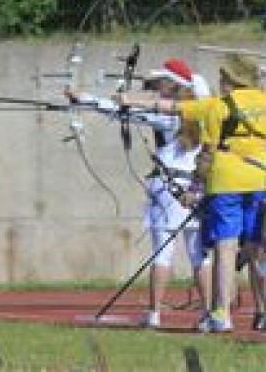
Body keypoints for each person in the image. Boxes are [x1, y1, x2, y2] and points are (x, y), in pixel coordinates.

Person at [118, 53, 266, 333]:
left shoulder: (217, 107)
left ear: (229, 81)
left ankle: (221, 314)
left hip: (225, 184)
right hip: (258, 181)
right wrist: (261, 76)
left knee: (225, 247)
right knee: (261, 247)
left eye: (223, 78)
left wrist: (130, 100)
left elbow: (174, 111)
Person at [67, 58, 213, 330]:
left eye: (163, 82)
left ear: (173, 86)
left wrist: (85, 99)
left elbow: (124, 113)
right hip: (197, 189)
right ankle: (208, 315)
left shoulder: (168, 116)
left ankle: (154, 314)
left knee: (162, 254)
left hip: (170, 189)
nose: (157, 87)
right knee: (199, 255)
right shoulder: (205, 111)